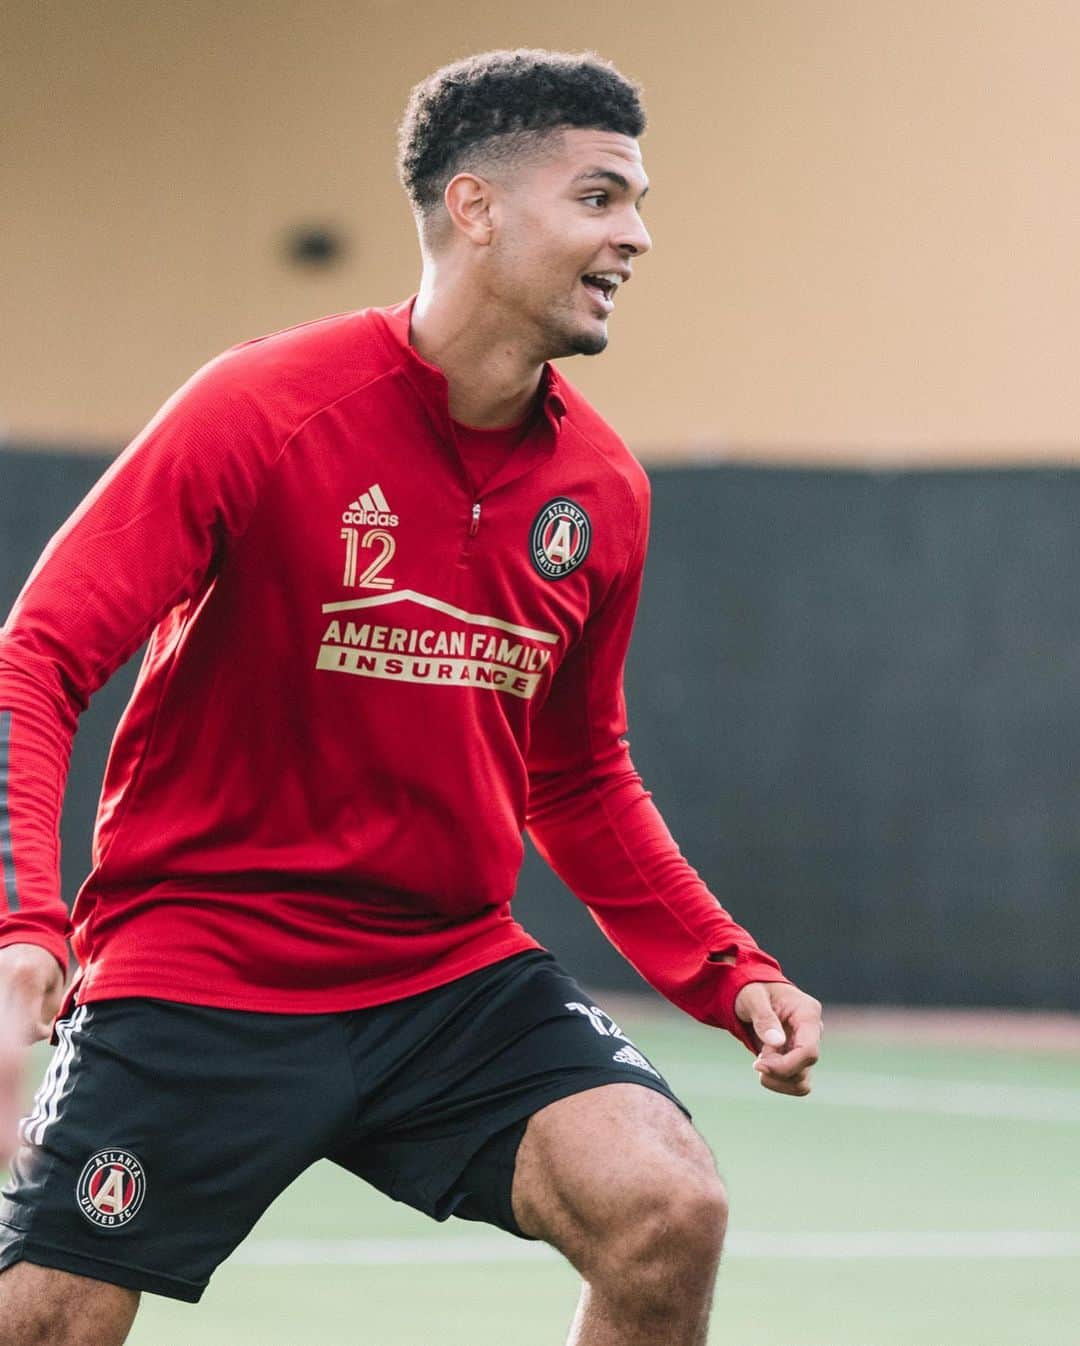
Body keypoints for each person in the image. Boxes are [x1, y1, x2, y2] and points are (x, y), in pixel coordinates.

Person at [0, 48, 822, 1346]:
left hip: (440, 974)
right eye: (602, 197)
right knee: (46, 1314)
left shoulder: (603, 492)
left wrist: (727, 968)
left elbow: (579, 772)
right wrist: (27, 924)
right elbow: (36, 654)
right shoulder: (258, 409)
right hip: (203, 963)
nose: (640, 235)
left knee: (669, 1205)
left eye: (640, 201)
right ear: (477, 207)